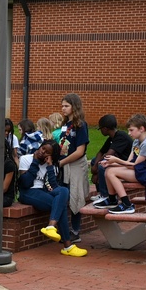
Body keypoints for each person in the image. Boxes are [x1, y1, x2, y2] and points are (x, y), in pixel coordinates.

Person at [19, 141, 87, 257]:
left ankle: (51, 227)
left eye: (47, 152)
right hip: (28, 193)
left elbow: (54, 186)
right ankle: (67, 245)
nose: (42, 152)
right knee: (60, 206)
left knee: (64, 191)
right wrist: (35, 162)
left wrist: (50, 167)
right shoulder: (26, 159)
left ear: (51, 156)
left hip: (44, 193)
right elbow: (25, 183)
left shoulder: (52, 165)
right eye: (42, 148)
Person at [96, 114, 146, 215]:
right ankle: (112, 200)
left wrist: (116, 160)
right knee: (108, 170)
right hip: (141, 170)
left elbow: (133, 166)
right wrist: (111, 163)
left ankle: (127, 205)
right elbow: (129, 163)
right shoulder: (136, 142)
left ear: (141, 129)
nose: (129, 133)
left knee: (111, 173)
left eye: (131, 130)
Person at [56, 93, 90, 243]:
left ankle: (76, 231)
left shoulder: (81, 125)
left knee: (76, 197)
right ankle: (65, 229)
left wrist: (62, 162)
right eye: (62, 105)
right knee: (64, 196)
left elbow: (80, 151)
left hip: (75, 166)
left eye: (66, 106)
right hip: (64, 165)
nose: (63, 108)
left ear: (74, 107)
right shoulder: (65, 125)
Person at [90, 115, 132, 205]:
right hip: (116, 162)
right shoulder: (111, 138)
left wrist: (96, 170)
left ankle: (106, 195)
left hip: (126, 164)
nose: (100, 130)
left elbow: (108, 155)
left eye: (100, 128)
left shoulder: (121, 136)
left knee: (102, 166)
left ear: (105, 128)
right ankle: (100, 193)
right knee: (95, 160)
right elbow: (100, 153)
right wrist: (94, 166)